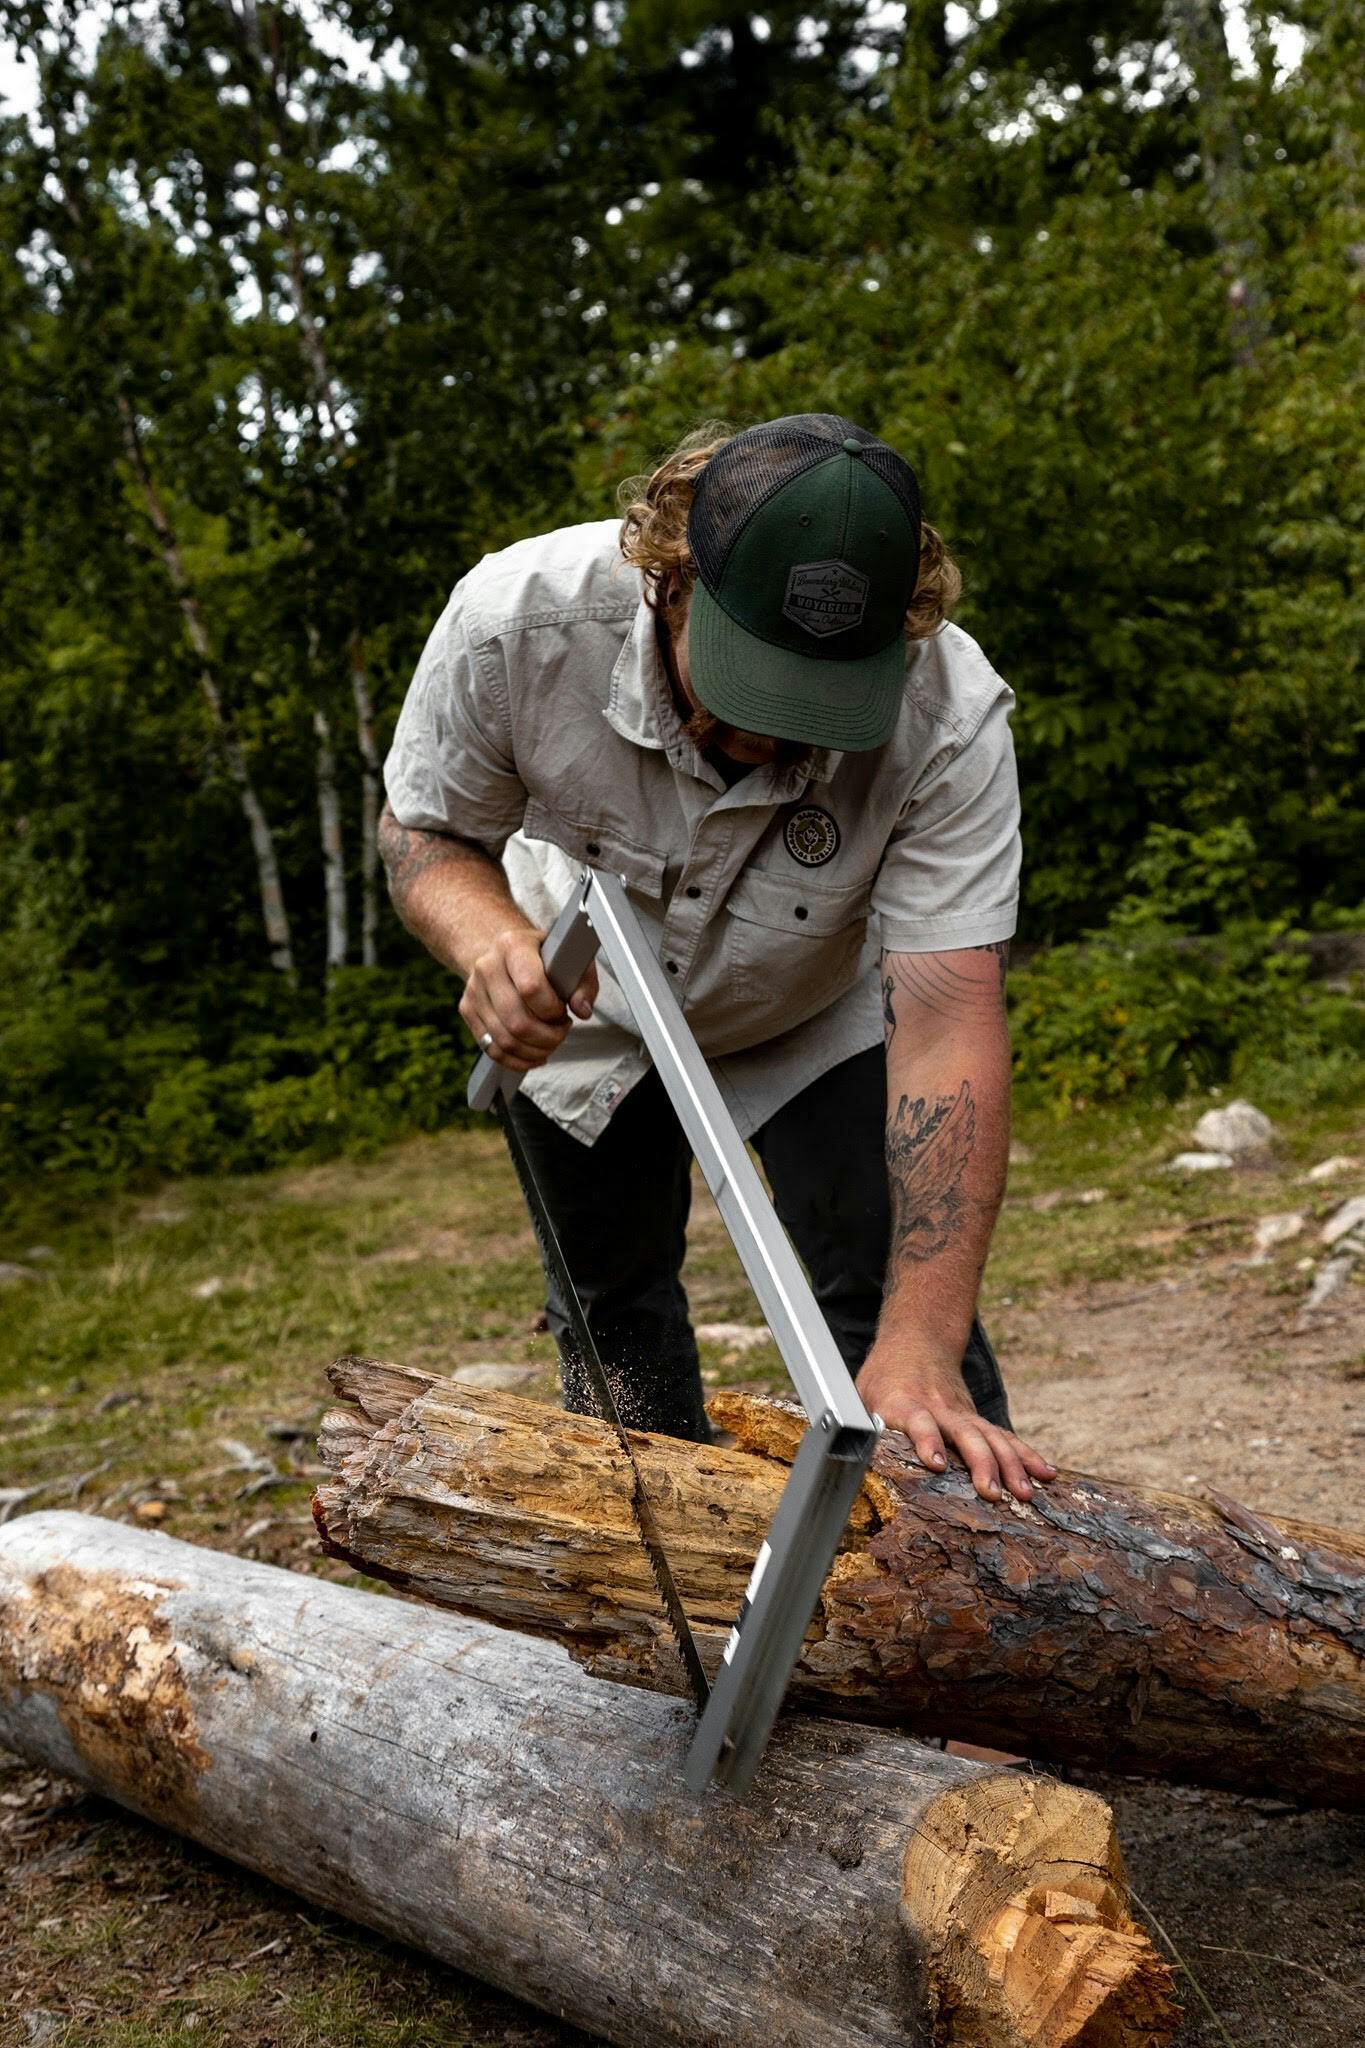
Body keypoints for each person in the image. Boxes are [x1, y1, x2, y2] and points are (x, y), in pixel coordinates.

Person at [380, 413, 1056, 1505]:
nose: (773, 733)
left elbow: (946, 1017)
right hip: (583, 1009)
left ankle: (949, 1584)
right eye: (752, 676)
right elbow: (423, 832)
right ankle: (663, 1603)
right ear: (671, 573)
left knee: (899, 1310)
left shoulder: (949, 713)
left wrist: (923, 1340)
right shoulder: (515, 623)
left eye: (820, 694)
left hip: (813, 1003)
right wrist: (490, 941)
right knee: (616, 1323)